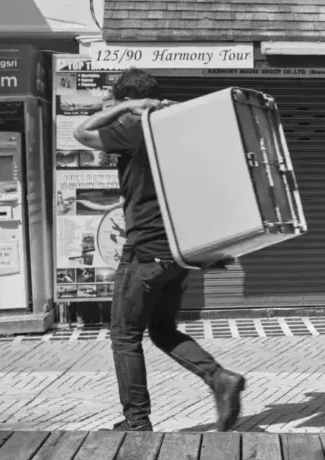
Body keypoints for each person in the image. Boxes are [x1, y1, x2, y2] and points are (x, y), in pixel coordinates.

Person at [74, 69, 246, 432]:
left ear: (127, 101)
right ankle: (220, 379)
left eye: (119, 104)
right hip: (179, 252)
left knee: (124, 337)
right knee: (163, 330)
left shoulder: (136, 127)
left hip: (145, 251)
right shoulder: (178, 127)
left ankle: (136, 423)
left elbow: (81, 132)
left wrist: (131, 108)